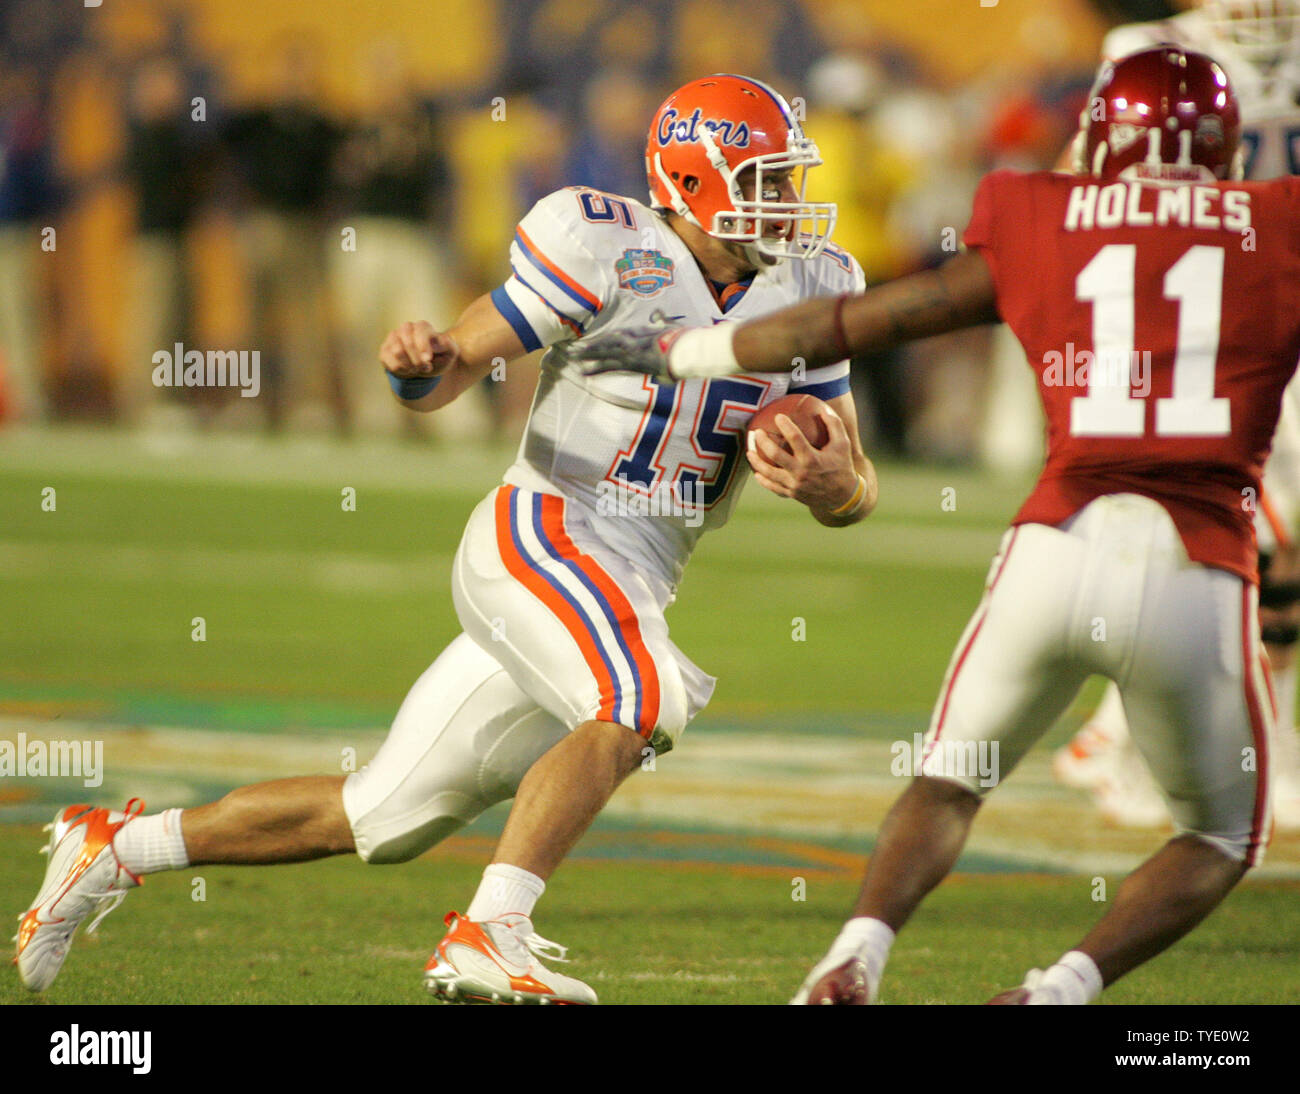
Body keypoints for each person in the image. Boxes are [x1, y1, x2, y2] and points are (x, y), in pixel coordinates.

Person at [14, 74, 874, 1004]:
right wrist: (417, 368)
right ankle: (490, 931)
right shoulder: (608, 244)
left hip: (638, 577)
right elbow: (453, 368)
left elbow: (852, 484)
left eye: (790, 179)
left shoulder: (814, 284)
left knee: (386, 813)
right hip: (544, 532)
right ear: (697, 183)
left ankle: (110, 847)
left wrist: (840, 487)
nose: (789, 202)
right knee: (640, 693)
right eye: (768, 179)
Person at [576, 46, 1293, 1004]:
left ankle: (852, 959)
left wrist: (687, 348)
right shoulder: (1280, 225)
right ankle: (1059, 991)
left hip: (1056, 545)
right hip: (1198, 565)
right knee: (1219, 834)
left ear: (1105, 138)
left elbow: (876, 320)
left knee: (952, 780)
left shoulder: (1042, 210)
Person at [1047, 0, 1300, 831]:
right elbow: (1085, 173)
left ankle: (1213, 741)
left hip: (1277, 312)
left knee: (1270, 548)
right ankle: (1133, 738)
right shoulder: (1152, 55)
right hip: (1204, 321)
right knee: (1238, 539)